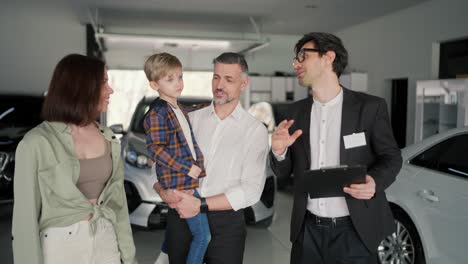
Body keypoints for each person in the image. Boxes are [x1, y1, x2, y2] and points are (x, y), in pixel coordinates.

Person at [270, 32, 402, 264]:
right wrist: (279, 152)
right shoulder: (295, 113)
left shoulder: (369, 108)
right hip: (307, 231)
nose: (296, 63)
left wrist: (374, 182)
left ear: (328, 57)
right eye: (295, 58)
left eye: (303, 55)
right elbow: (283, 174)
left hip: (355, 231)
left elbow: (391, 157)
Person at [11, 54, 138, 264]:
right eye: (104, 82)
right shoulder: (36, 143)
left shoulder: (108, 137)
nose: (110, 90)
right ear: (83, 87)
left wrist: (129, 256)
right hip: (60, 246)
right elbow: (24, 220)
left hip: (105, 238)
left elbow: (118, 205)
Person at [153, 52, 269, 264]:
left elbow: (251, 190)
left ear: (244, 83)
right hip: (182, 217)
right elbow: (161, 164)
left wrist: (201, 204)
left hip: (226, 225)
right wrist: (162, 190)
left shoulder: (254, 131)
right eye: (216, 77)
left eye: (229, 79)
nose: (219, 85)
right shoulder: (190, 119)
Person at [143, 52, 210, 264]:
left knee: (178, 231)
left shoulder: (176, 107)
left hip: (186, 180)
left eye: (179, 77)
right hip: (179, 181)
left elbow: (188, 117)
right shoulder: (157, 113)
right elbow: (155, 149)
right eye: (170, 79)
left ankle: (162, 259)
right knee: (202, 236)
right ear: (154, 85)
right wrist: (187, 168)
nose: (178, 83)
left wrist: (211, 106)